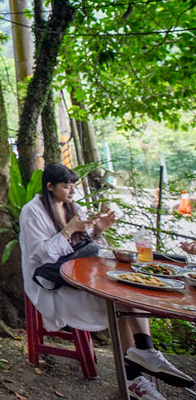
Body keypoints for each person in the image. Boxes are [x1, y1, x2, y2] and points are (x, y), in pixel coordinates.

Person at [20, 163, 193, 399]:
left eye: (73, 186)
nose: (71, 191)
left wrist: (98, 230)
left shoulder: (73, 207)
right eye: (66, 186)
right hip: (51, 278)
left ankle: (141, 358)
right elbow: (41, 255)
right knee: (117, 292)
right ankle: (139, 365)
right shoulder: (33, 211)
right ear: (49, 187)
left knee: (125, 292)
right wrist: (68, 230)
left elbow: (85, 243)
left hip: (80, 270)